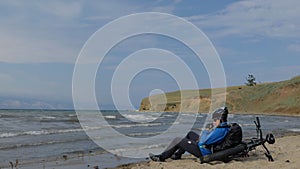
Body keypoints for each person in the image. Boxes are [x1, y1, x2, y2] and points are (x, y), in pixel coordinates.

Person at [149, 107, 230, 162]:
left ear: (220, 119)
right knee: (190, 134)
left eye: (215, 120)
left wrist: (206, 130)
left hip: (204, 152)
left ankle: (161, 157)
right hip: (207, 146)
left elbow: (203, 142)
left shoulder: (219, 131)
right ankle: (177, 154)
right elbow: (210, 140)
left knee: (178, 140)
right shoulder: (224, 128)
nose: (213, 122)